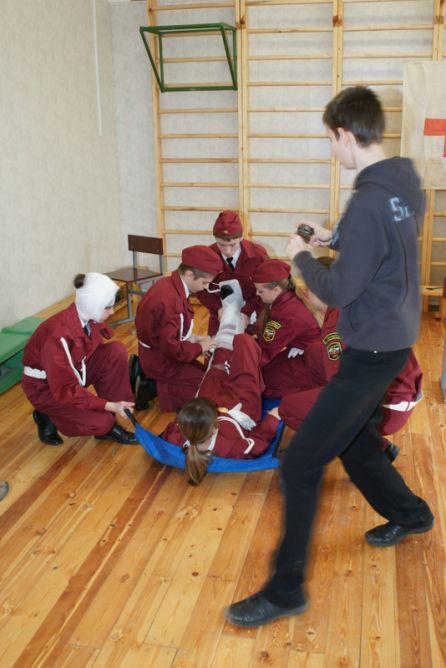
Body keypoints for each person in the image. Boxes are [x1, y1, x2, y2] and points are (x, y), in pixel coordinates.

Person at [225, 86, 434, 628]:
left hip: (369, 349)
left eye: (330, 140)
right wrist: (334, 235)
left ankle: (285, 591)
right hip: (395, 335)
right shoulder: (403, 184)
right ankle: (413, 515)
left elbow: (338, 290)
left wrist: (301, 256)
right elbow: (382, 243)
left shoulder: (367, 201)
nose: (332, 149)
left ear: (345, 134)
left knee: (299, 464)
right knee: (359, 447)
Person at [277, 258, 423, 461]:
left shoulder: (337, 325)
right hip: (399, 395)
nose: (306, 294)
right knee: (315, 352)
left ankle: (371, 447)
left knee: (289, 408)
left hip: (385, 412)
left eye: (309, 289)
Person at [22, 273, 137, 445]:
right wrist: (108, 405)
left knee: (115, 352)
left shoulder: (87, 316)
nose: (112, 312)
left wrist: (113, 404)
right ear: (93, 306)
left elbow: (88, 349)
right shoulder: (58, 336)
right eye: (107, 307)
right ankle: (46, 413)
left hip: (70, 373)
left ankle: (116, 412)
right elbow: (66, 389)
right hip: (46, 388)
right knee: (102, 422)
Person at [163, 333, 281, 484]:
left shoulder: (175, 436)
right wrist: (272, 419)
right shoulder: (228, 448)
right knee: (244, 341)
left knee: (219, 362)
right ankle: (239, 343)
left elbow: (174, 427)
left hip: (207, 403)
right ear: (214, 427)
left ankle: (226, 346)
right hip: (241, 407)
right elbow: (257, 445)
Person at [134, 245, 222, 412]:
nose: (206, 287)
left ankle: (151, 381)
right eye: (204, 282)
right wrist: (199, 347)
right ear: (189, 274)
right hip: (159, 359)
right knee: (207, 390)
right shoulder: (170, 302)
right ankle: (150, 387)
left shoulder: (170, 285)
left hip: (159, 352)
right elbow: (172, 349)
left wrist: (194, 340)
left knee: (206, 376)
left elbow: (173, 332)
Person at [250, 259, 320, 397]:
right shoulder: (281, 301)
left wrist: (241, 365)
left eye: (260, 291)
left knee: (261, 381)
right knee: (262, 373)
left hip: (311, 362)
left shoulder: (289, 314)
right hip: (296, 350)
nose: (257, 294)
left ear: (276, 290)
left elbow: (267, 351)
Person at [197, 210, 269, 335]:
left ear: (241, 237)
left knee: (253, 345)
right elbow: (200, 290)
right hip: (221, 312)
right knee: (217, 345)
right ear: (215, 239)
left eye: (233, 245)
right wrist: (218, 307)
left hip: (254, 310)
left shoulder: (258, 255)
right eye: (221, 245)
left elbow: (267, 288)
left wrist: (246, 311)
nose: (228, 251)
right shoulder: (207, 257)